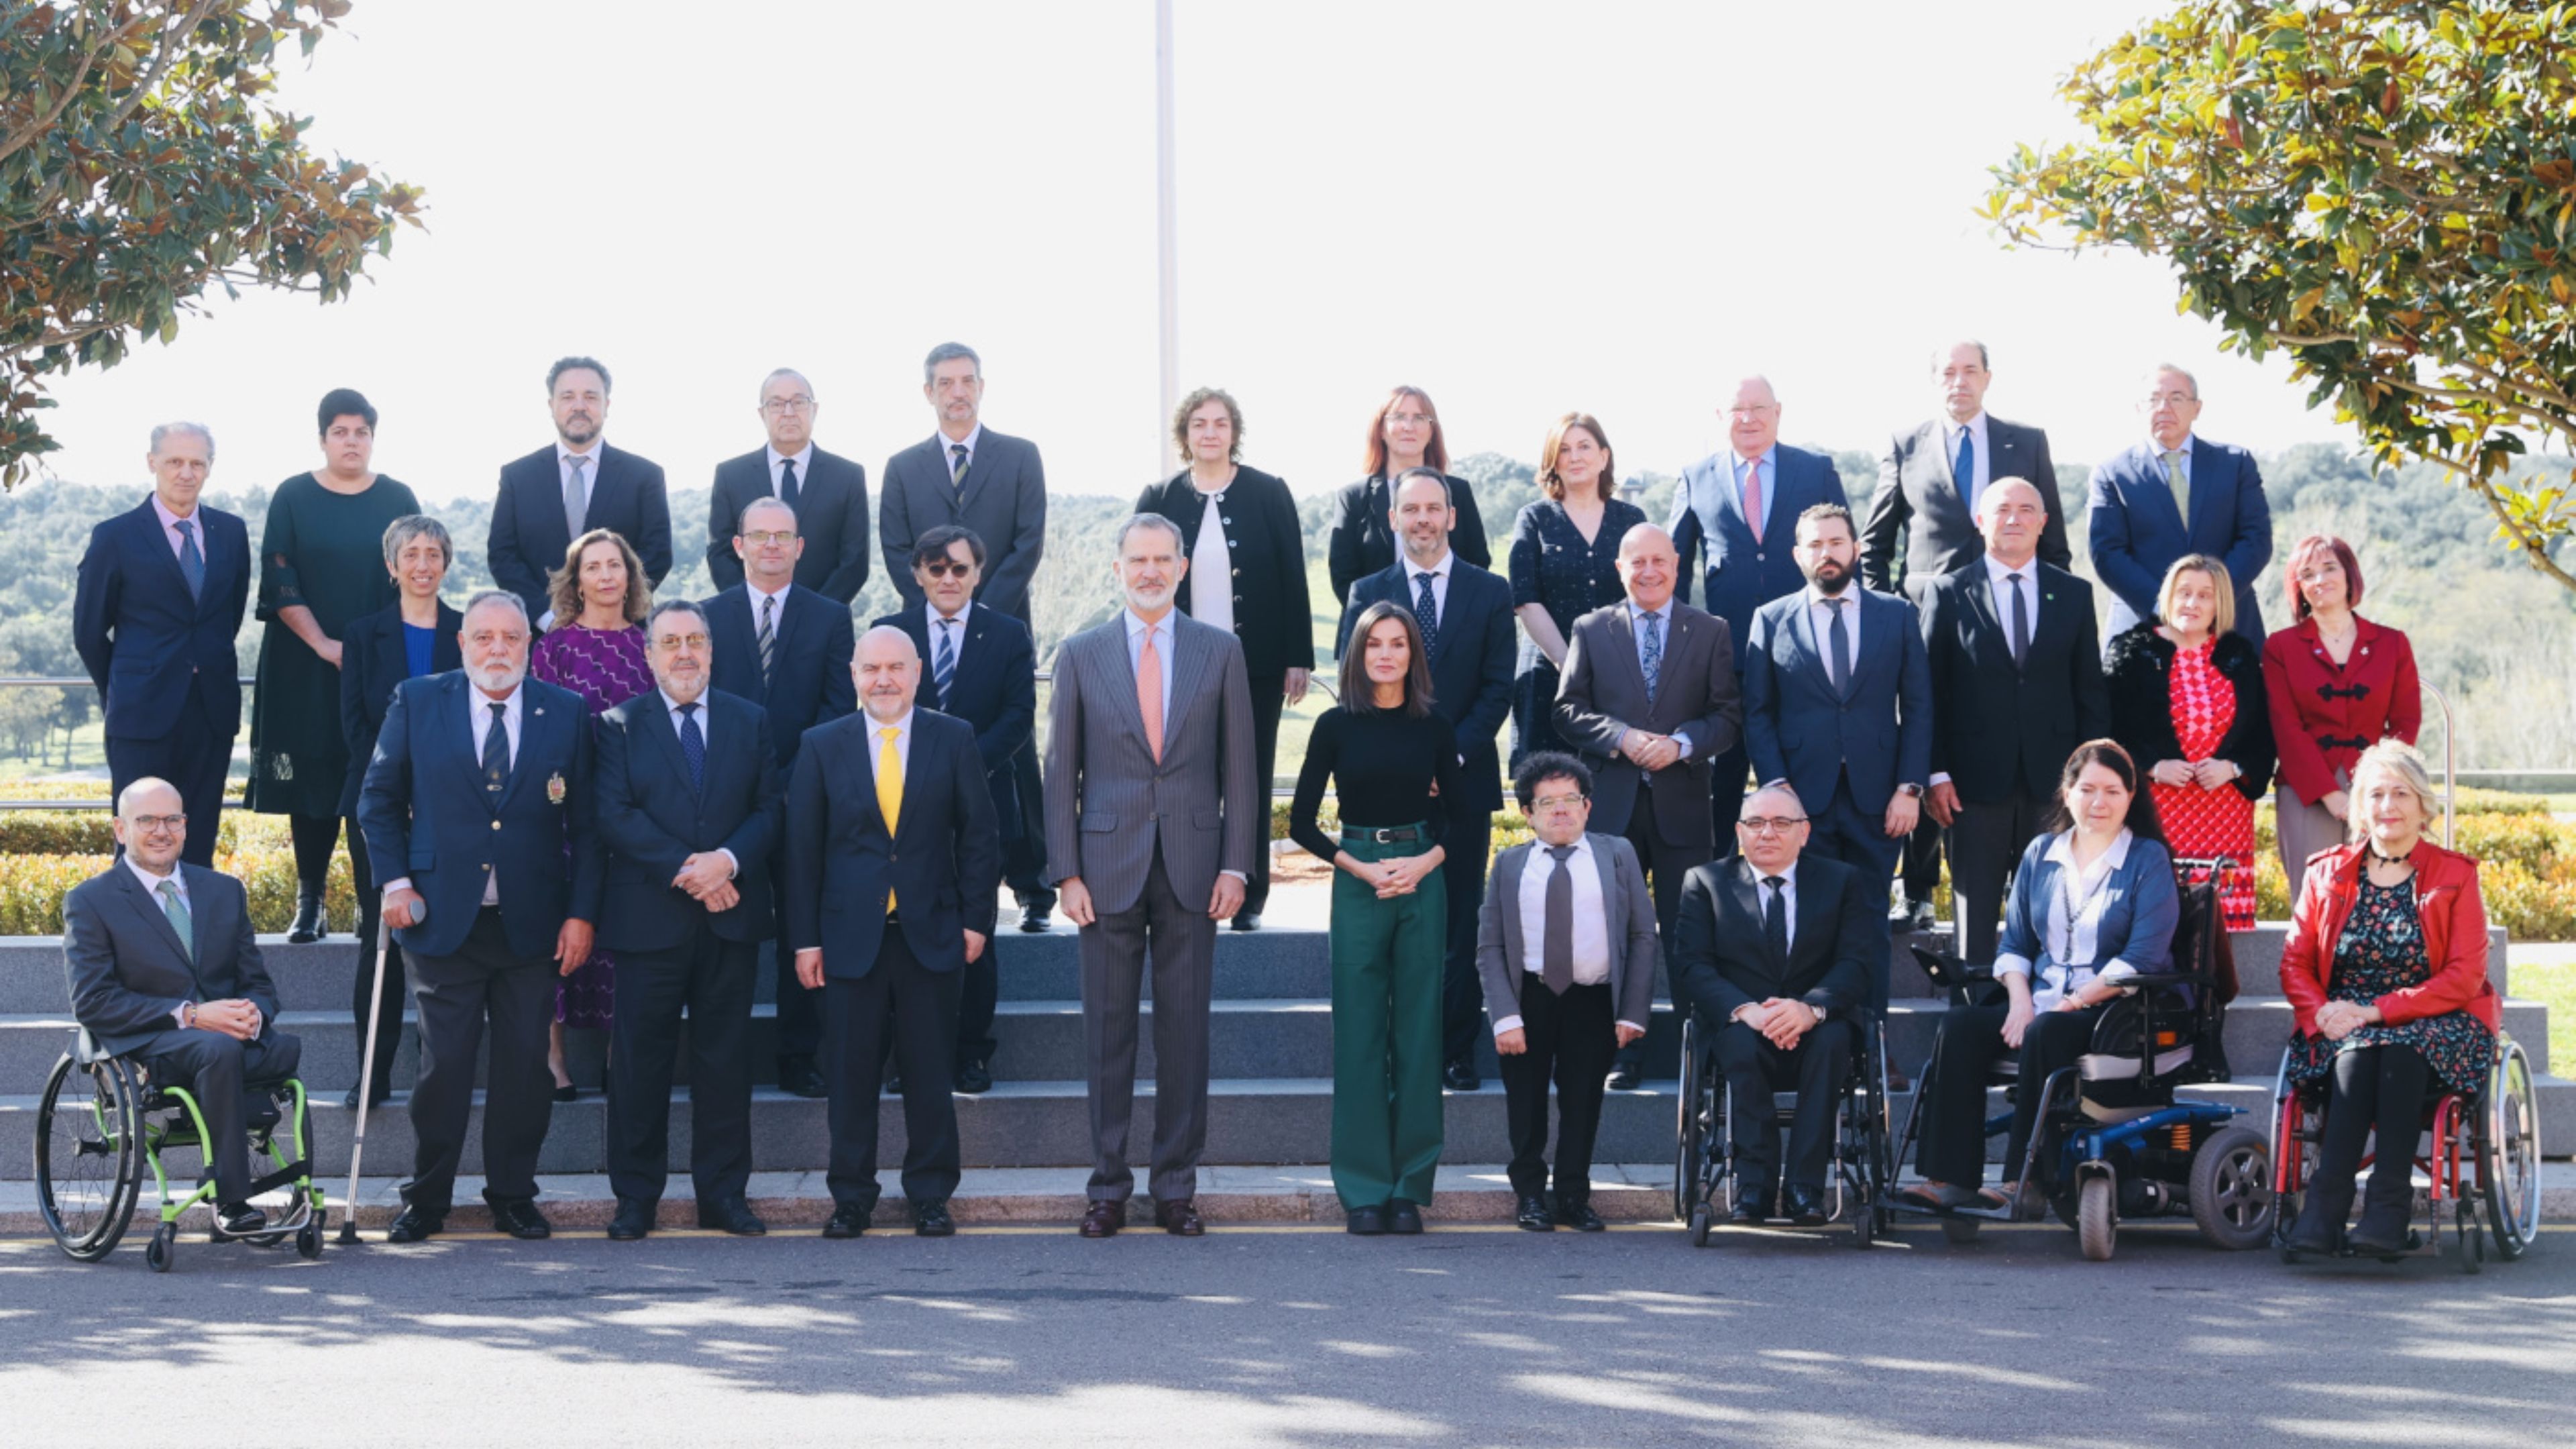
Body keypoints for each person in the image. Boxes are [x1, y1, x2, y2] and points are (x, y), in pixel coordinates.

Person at [359, 590, 601, 1244]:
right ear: (462, 643)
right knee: (445, 1069)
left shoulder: (567, 712)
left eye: (512, 638)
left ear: (530, 645)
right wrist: (396, 881)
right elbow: (378, 800)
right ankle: (427, 1198)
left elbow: (588, 824)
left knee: (526, 1070)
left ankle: (514, 1196)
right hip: (441, 921)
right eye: (485, 637)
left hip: (532, 926)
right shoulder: (418, 700)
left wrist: (581, 915)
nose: (499, 649)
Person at [1045, 515, 1259, 1238]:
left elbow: (1241, 769)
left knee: (1185, 1036)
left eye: (1163, 559)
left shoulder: (1220, 651)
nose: (1149, 570)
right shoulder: (1080, 653)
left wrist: (1238, 863)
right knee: (1106, 1037)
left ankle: (1176, 1189)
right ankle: (1107, 1187)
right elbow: (1059, 775)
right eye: (1137, 559)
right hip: (1103, 871)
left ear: (1179, 568)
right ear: (1118, 569)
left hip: (1197, 869)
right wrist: (1064, 872)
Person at [1902, 740, 2178, 1215]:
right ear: (2066, 793)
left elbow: (2144, 957)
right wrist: (2020, 1001)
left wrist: (2072, 1002)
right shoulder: (2042, 853)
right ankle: (1949, 1178)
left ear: (2132, 796)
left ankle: (2022, 1181)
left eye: (2112, 791)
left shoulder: (2146, 859)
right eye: (2087, 789)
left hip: (2113, 1010)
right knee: (1961, 1026)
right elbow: (2015, 946)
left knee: (2048, 1031)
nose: (2099, 802)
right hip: (2041, 1003)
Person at [791, 627, 1002, 1240]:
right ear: (854, 674)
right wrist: (805, 939)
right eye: (871, 668)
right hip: (847, 942)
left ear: (916, 673)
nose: (883, 679)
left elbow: (980, 839)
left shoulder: (953, 738)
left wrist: (974, 920)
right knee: (850, 1078)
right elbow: (801, 852)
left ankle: (931, 1195)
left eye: (896, 668)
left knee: (930, 1073)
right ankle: (851, 1197)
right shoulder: (821, 745)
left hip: (931, 935)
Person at [1860, 342, 2070, 933]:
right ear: (1934, 380)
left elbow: (2052, 541)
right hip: (1925, 619)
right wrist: (1891, 611)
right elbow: (1877, 543)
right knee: (1927, 744)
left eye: (1969, 370)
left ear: (1988, 378)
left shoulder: (2025, 441)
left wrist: (2056, 608)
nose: (1959, 381)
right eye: (1947, 372)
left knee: (1997, 748)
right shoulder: (1907, 444)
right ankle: (1921, 888)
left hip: (2013, 619)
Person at [592, 600, 784, 1241]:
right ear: (648, 655)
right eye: (669, 641)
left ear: (711, 650)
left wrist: (726, 862)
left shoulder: (752, 721)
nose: (683, 652)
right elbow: (615, 815)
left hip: (731, 923)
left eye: (695, 640)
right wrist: (692, 871)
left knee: (725, 1064)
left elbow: (770, 808)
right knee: (638, 1066)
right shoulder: (618, 724)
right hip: (648, 923)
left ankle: (724, 1196)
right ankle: (635, 1199)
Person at [2279, 741, 2500, 1256]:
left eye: (2401, 792)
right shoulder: (2326, 872)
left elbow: (2465, 976)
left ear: (2423, 805)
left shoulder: (2455, 875)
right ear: (2359, 805)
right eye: (2375, 793)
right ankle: (2324, 1212)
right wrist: (2322, 1013)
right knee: (2358, 1053)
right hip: (2343, 1025)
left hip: (2438, 1018)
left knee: (2398, 1048)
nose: (2388, 805)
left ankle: (2387, 1211)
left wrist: (2378, 1011)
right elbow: (2295, 963)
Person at [1338, 469, 1516, 1093]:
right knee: (1390, 924)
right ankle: (1394, 1050)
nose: (1422, 519)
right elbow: (1354, 686)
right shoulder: (1368, 590)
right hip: (1386, 792)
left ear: (1452, 516)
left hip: (1464, 785)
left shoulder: (1491, 591)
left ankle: (1453, 1050)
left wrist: (1448, 758)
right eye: (1409, 509)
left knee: (1457, 922)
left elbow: (1500, 687)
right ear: (1393, 519)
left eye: (1433, 508)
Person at [62, 778, 303, 1239]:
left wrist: (252, 1014)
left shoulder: (223, 891)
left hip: (226, 1038)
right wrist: (191, 1014)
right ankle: (232, 1199)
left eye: (172, 819)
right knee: (218, 1051)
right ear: (120, 829)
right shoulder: (91, 901)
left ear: (186, 827)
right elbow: (92, 1001)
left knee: (274, 1047)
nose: (161, 830)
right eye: (146, 820)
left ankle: (290, 1184)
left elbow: (258, 983)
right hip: (147, 1043)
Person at [1291, 602, 1465, 1234]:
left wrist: (1424, 863)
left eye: (1399, 644)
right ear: (1358, 655)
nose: (1387, 654)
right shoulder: (1336, 725)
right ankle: (1363, 1189)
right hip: (1359, 873)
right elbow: (1304, 820)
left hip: (1423, 873)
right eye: (1375, 645)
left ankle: (1408, 1189)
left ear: (1413, 655)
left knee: (1419, 1033)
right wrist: (1360, 868)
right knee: (1361, 1034)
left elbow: (1463, 815)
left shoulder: (1434, 725)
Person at [1554, 522, 1741, 1090]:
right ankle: (1622, 1054)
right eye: (1638, 563)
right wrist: (1620, 737)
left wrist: (1681, 744)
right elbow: (1566, 710)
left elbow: (1728, 718)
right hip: (1612, 809)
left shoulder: (1710, 631)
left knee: (1691, 935)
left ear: (1676, 566)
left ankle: (1701, 1053)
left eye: (1660, 561)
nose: (1650, 572)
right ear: (1620, 568)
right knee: (1616, 933)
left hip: (1683, 808)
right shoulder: (1591, 628)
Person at [878, 343, 1053, 930]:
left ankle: (1033, 886)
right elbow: (898, 550)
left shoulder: (1021, 456)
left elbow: (1028, 542)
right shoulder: (903, 467)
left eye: (967, 381)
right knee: (925, 754)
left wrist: (980, 617)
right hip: (923, 637)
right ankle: (926, 877)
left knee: (1014, 752)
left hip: (1003, 630)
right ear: (928, 392)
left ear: (982, 387)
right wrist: (939, 609)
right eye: (945, 382)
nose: (957, 391)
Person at [1134, 386, 1312, 932]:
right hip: (1175, 662)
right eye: (1199, 424)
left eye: (1220, 423)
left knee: (1248, 774)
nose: (1210, 432)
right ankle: (1182, 888)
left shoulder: (1268, 491)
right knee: (1181, 775)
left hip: (1253, 665)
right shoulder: (1159, 495)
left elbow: (1291, 573)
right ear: (1185, 436)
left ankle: (1249, 894)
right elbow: (1138, 571)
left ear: (1234, 432)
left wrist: (1297, 655)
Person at [247, 389, 422, 944]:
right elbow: (279, 575)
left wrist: (374, 649)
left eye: (362, 431)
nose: (352, 441)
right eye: (341, 431)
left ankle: (374, 904)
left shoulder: (398, 495)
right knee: (315, 780)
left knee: (376, 777)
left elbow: (417, 572)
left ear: (373, 437)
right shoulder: (293, 495)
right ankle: (311, 901)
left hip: (379, 665)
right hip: (306, 663)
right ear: (322, 438)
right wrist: (323, 643)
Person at [1740, 502, 1929, 1010]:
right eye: (1816, 545)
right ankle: (1814, 1041)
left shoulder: (1897, 614)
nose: (1827, 554)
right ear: (1798, 555)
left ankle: (1874, 1045)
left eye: (1837, 543)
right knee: (1807, 925)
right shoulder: (1771, 619)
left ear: (1856, 548)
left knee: (1869, 923)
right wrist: (1777, 787)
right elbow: (1757, 714)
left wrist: (1909, 788)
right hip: (1801, 802)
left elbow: (1918, 707)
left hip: (1879, 800)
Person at [872, 525, 1038, 1093]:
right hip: (899, 810)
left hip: (982, 809)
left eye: (960, 569)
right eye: (936, 568)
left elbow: (1018, 718)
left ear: (978, 573)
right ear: (917, 573)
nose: (948, 579)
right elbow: (877, 710)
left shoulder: (1009, 633)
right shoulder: (887, 633)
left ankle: (971, 1053)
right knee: (902, 936)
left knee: (975, 933)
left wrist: (956, 769)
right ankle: (910, 1057)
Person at [1921, 478, 2112, 964]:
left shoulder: (2072, 594)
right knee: (1975, 925)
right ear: (1981, 522)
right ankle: (1974, 1028)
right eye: (2002, 509)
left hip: (2055, 787)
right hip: (1970, 787)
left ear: (2043, 523)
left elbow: (2089, 692)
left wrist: (2091, 781)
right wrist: (1935, 773)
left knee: (2054, 914)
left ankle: (2042, 1027)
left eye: (2027, 509)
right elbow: (1928, 695)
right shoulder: (1947, 593)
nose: (2014, 518)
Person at [1669, 782, 1878, 1225]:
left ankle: (1805, 1189)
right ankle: (1754, 1187)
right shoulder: (1705, 883)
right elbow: (1692, 967)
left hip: (1820, 1023)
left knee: (1833, 1044)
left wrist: (1810, 1008)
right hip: (1742, 1023)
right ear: (1739, 831)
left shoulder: (1842, 881)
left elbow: (1858, 962)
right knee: (1740, 1049)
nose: (1768, 832)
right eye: (1756, 823)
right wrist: (1748, 1010)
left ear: (1804, 832)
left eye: (1781, 823)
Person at [706, 496, 857, 1099]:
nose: (772, 545)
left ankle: (801, 1054)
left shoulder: (831, 618)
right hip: (727, 803)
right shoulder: (708, 616)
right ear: (738, 546)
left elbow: (836, 708)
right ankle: (725, 1057)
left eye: (783, 536)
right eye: (759, 535)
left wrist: (793, 782)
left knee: (803, 923)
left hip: (804, 797)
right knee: (729, 932)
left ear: (799, 547)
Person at [1474, 753, 1657, 1233]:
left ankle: (1574, 1194)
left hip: (1593, 999)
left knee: (1583, 1102)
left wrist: (1634, 1010)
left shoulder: (1617, 853)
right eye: (1547, 802)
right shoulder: (1510, 865)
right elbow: (1490, 945)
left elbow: (1642, 935)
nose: (1560, 810)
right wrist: (1504, 1015)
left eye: (1570, 800)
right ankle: (1531, 1195)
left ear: (1587, 807)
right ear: (1527, 813)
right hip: (1529, 999)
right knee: (1526, 1102)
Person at [1666, 375, 1850, 841]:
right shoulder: (1696, 476)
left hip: (1805, 658)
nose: (1747, 418)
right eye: (1736, 409)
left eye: (1758, 408)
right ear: (1720, 417)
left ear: (1778, 412)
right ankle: (1722, 888)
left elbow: (1844, 557)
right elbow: (1676, 572)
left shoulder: (1815, 470)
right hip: (1726, 660)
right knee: (1724, 778)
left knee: (1802, 772)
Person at [73, 421, 251, 869]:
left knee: (199, 833)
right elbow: (89, 632)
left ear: (211, 467)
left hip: (211, 708)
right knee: (140, 839)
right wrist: (120, 685)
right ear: (152, 462)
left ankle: (195, 939)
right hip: (140, 711)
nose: (185, 473)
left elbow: (228, 616)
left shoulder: (231, 532)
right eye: (174, 461)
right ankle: (131, 940)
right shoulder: (115, 535)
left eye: (197, 462)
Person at [335, 515, 462, 1109]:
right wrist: (399, 791)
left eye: (433, 553)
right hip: (378, 808)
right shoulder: (362, 634)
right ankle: (374, 1072)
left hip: (455, 808)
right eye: (410, 554)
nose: (422, 564)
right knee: (380, 935)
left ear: (446, 563)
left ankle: (438, 1071)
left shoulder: (468, 631)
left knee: (447, 936)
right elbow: (357, 731)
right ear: (392, 566)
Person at [529, 529, 653, 1099]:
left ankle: (614, 1056)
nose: (605, 576)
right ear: (575, 580)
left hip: (633, 805)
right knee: (559, 926)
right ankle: (554, 1060)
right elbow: (538, 726)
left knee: (621, 929)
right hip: (566, 805)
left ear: (630, 576)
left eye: (615, 566)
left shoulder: (651, 644)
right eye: (593, 567)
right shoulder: (553, 646)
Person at [2106, 555, 2275, 934]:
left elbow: (2262, 735)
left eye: (2204, 595)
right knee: (2155, 919)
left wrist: (2233, 768)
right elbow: (2109, 730)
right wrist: (2151, 765)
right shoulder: (2133, 652)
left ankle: (2214, 994)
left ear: (2220, 604)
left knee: (2216, 930)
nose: (2192, 604)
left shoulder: (2239, 656)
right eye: (2184, 593)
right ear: (2168, 596)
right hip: (2155, 808)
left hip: (2224, 810)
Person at [2262, 535, 2422, 876]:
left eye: (2329, 568)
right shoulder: (2281, 647)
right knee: (2314, 902)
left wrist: (2383, 783)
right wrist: (2329, 794)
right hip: (2306, 789)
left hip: (2380, 789)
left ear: (2349, 574)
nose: (2320, 580)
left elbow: (2406, 720)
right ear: (2298, 586)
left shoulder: (2393, 643)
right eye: (2307, 574)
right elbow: (2285, 726)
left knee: (2383, 896)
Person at [2088, 365, 2274, 645]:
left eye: (2176, 398)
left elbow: (2256, 539)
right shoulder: (2112, 473)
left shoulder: (2235, 464)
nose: (2164, 408)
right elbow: (2108, 552)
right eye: (2154, 399)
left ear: (2197, 408)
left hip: (2229, 628)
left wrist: (2214, 600)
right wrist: (2165, 608)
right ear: (2139, 408)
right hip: (2143, 630)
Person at [486, 356, 672, 629]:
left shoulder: (644, 476)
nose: (579, 406)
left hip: (624, 635)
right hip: (542, 639)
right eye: (568, 397)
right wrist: (548, 618)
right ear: (552, 406)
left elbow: (657, 554)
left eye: (590, 397)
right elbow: (503, 556)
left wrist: (608, 611)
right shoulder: (517, 477)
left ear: (607, 405)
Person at [1507, 413, 1648, 765]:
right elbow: (1525, 599)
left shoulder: (1632, 520)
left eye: (1585, 446)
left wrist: (1606, 667)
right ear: (1553, 462)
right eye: (1564, 449)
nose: (1575, 456)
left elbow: (1647, 592)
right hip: (1547, 674)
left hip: (1619, 675)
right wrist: (1569, 664)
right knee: (1550, 789)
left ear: (1604, 456)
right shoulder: (1534, 518)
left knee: (1616, 788)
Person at [703, 368, 871, 604]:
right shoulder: (730, 475)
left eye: (799, 402)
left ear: (815, 409)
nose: (789, 412)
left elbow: (855, 561)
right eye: (777, 404)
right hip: (749, 621)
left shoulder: (848, 476)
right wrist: (753, 606)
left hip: (824, 625)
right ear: (762, 413)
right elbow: (720, 553)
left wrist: (816, 613)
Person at [1324, 385, 1492, 608]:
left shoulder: (1458, 491)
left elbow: (1477, 564)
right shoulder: (1353, 498)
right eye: (1399, 417)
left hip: (1450, 631)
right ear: (1381, 429)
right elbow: (1344, 579)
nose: (1409, 426)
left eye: (1420, 418)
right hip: (1375, 633)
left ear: (1432, 431)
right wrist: (1388, 629)